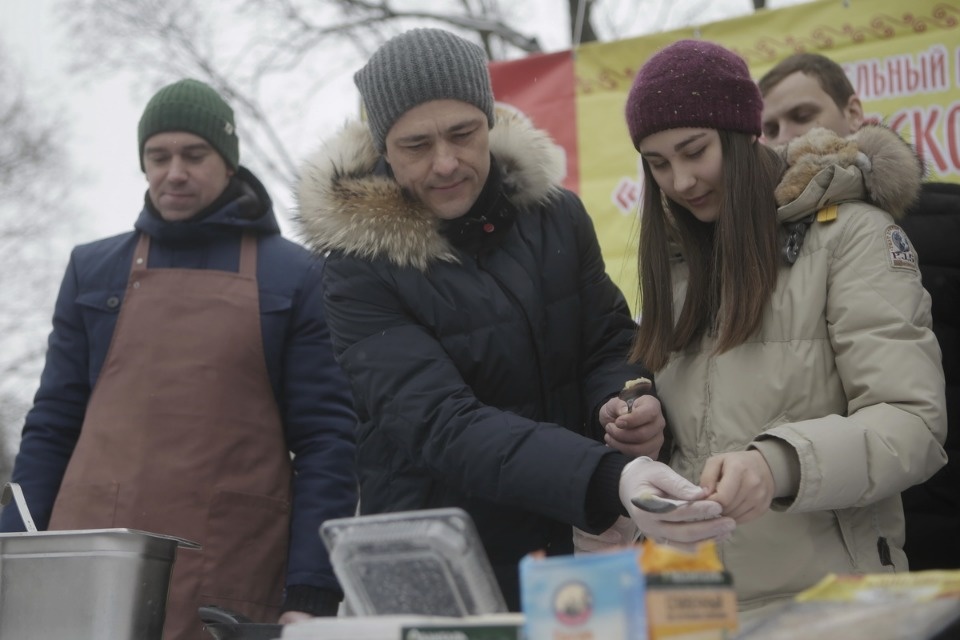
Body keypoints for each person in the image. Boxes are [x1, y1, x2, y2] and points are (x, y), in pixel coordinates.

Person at [295, 28, 736, 610]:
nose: (445, 163)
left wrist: (626, 402)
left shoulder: (557, 216)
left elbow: (607, 339)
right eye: (416, 145)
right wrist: (606, 477)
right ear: (384, 148)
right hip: (443, 570)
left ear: (489, 122)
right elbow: (440, 423)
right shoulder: (358, 266)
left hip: (573, 554)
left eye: (463, 134)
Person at [0, 79, 358, 639]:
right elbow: (52, 424)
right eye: (158, 156)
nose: (174, 172)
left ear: (229, 162)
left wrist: (312, 590)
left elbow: (327, 441)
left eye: (194, 155)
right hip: (90, 568)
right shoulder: (94, 271)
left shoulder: (294, 276)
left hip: (230, 564)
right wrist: (14, 549)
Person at [619, 39, 947, 617]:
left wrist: (779, 465)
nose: (682, 180)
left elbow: (912, 425)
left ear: (745, 134)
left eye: (695, 151)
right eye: (658, 163)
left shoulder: (850, 235)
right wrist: (640, 423)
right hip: (691, 606)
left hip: (827, 604)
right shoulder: (674, 263)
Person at [759, 52, 960, 571]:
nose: (784, 137)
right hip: (843, 528)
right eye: (769, 128)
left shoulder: (946, 218)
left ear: (853, 112)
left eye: (802, 116)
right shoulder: (755, 249)